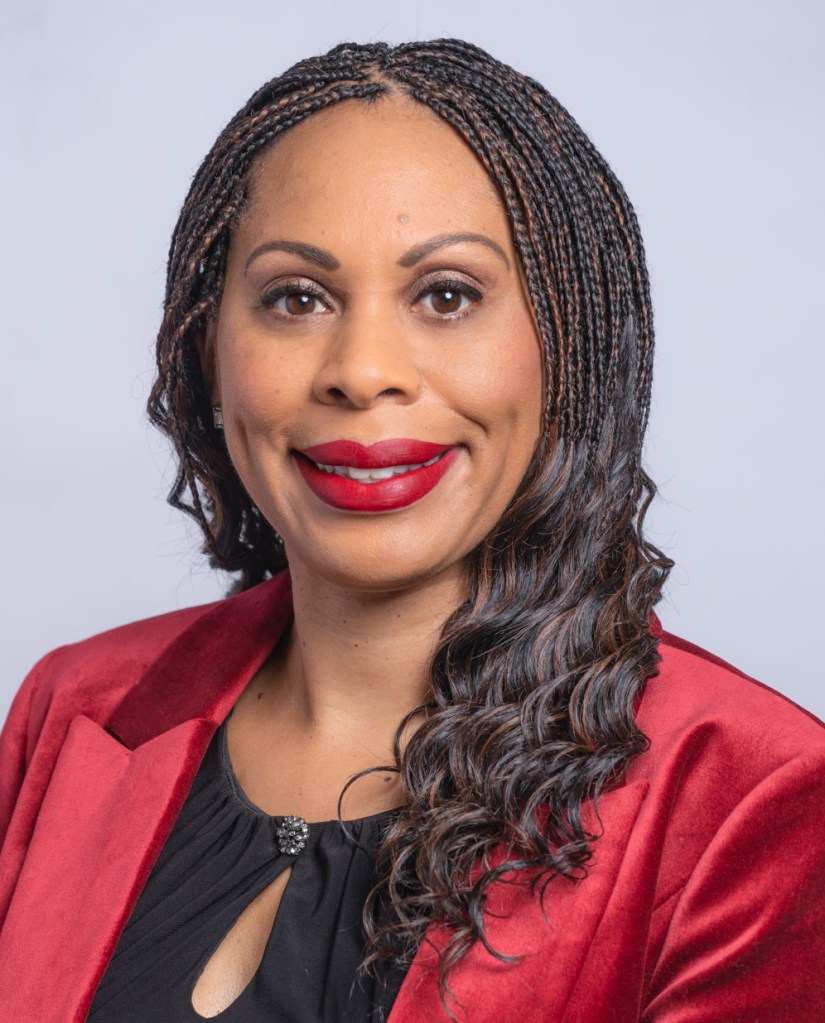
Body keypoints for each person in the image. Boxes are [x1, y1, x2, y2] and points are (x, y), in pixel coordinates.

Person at [0, 38, 823, 1023]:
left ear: (567, 347)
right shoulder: (75, 706)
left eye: (446, 295)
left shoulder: (748, 792)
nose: (363, 370)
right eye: (296, 298)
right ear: (207, 344)